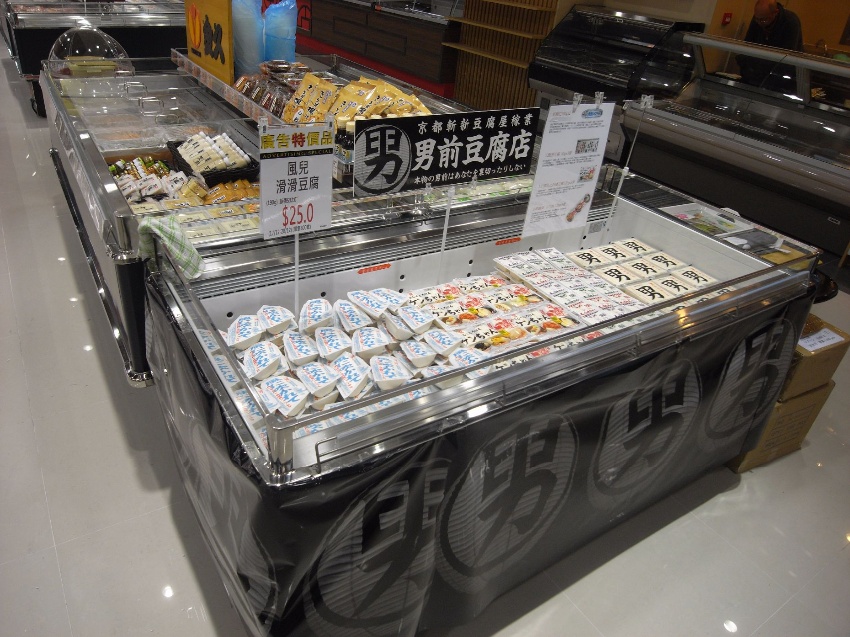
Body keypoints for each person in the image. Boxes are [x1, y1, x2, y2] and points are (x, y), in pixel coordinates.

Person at [737, 0, 803, 90]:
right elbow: (748, 44)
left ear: (775, 13)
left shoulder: (791, 21)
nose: (760, 23)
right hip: (757, 74)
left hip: (781, 78)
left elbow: (787, 56)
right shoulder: (759, 18)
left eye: (764, 20)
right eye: (757, 19)